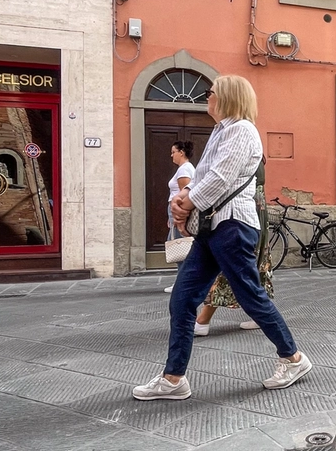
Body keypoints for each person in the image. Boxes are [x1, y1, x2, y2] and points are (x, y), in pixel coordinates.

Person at [133, 75, 312, 401]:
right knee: (184, 299)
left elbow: (220, 178)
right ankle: (174, 379)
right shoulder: (222, 131)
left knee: (251, 297)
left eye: (210, 93)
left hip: (233, 227)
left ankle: (293, 358)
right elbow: (202, 175)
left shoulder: (242, 130)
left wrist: (185, 205)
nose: (206, 98)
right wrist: (184, 195)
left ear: (227, 97)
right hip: (214, 228)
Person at [193, 157, 271, 334]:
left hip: (240, 211)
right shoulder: (257, 154)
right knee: (252, 264)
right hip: (256, 209)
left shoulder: (240, 150)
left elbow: (221, 182)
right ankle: (259, 316)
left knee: (231, 263)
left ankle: (203, 320)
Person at [163, 140, 196, 293]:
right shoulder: (185, 169)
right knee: (181, 246)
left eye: (173, 152)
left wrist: (179, 216)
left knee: (181, 247)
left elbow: (185, 194)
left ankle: (182, 283)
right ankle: (182, 281)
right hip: (175, 212)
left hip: (178, 210)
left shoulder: (184, 170)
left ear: (181, 152)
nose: (171, 155)